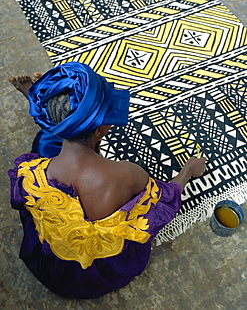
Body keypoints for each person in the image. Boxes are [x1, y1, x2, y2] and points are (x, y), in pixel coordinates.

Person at [8, 62, 206, 299]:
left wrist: (45, 101)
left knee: (44, 145)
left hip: (54, 268)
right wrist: (187, 171)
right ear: (100, 131)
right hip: (97, 274)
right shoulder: (127, 175)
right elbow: (165, 199)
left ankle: (38, 100)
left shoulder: (29, 173)